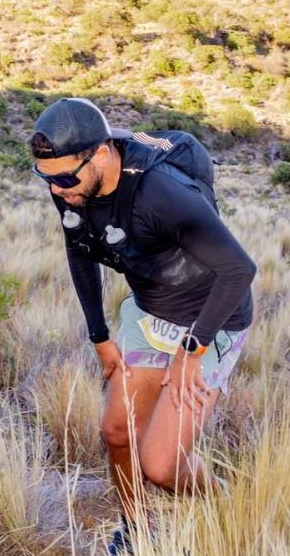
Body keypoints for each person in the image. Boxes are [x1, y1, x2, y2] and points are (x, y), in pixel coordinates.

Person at [27, 98, 255, 555]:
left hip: (210, 321)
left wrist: (192, 351)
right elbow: (79, 250)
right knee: (116, 432)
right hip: (150, 316)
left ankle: (230, 510)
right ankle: (138, 529)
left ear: (104, 153)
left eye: (66, 177)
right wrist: (100, 337)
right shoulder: (72, 190)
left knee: (161, 465)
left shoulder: (161, 193)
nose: (57, 190)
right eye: (46, 178)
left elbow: (239, 270)